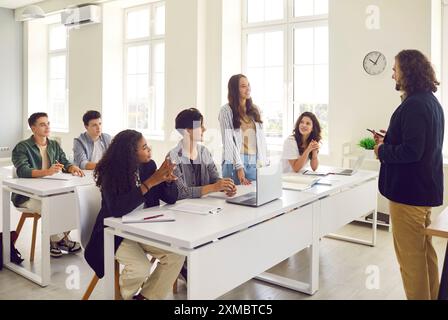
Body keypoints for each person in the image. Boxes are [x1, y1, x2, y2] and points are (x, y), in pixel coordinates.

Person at [373, 49, 444, 300]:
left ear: (408, 71)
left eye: (395, 69)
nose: (393, 74)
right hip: (424, 192)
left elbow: (412, 152)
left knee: (411, 263)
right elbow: (419, 146)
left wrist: (382, 149)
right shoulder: (431, 102)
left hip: (408, 194)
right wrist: (390, 138)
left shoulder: (413, 104)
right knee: (425, 254)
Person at [84, 129, 185, 300]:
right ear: (131, 152)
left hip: (143, 229)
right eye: (144, 147)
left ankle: (145, 297)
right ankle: (126, 296)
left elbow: (171, 198)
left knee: (176, 255)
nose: (149, 150)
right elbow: (117, 209)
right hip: (114, 233)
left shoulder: (149, 165)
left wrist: (167, 181)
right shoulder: (111, 172)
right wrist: (151, 182)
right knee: (140, 268)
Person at [11, 112, 84, 258]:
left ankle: (58, 240)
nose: (47, 127)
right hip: (27, 196)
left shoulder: (54, 145)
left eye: (48, 123)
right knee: (50, 205)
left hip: (50, 190)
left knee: (73, 201)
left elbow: (64, 162)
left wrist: (72, 168)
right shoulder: (22, 147)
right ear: (33, 128)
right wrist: (47, 172)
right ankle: (60, 240)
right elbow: (23, 171)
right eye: (42, 124)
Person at [168, 108, 236, 200]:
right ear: (187, 130)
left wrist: (225, 186)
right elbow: (181, 192)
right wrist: (214, 187)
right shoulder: (172, 157)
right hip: (182, 211)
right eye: (200, 126)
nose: (204, 129)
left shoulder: (205, 152)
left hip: (205, 207)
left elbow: (214, 179)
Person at [219, 74, 268, 185]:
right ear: (235, 89)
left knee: (255, 197)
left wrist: (265, 162)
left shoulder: (256, 109)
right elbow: (228, 141)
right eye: (243, 86)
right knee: (234, 198)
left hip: (254, 161)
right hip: (234, 161)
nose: (248, 88)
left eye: (248, 85)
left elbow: (261, 139)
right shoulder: (226, 111)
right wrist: (239, 167)